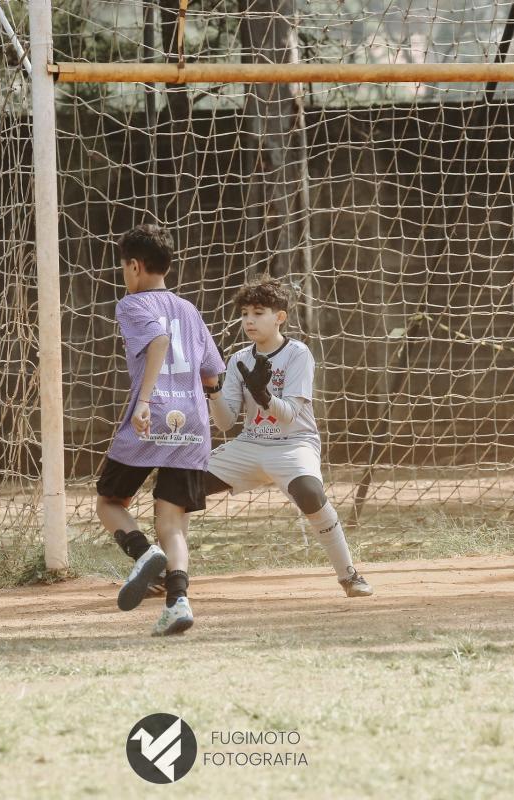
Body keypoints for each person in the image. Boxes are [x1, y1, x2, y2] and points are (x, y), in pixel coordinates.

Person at [205, 277, 373, 597]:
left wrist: (263, 395)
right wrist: (213, 391)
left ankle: (349, 576)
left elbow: (290, 414)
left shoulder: (298, 353)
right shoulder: (239, 359)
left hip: (294, 444)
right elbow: (225, 424)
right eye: (244, 314)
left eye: (258, 313)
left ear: (279, 317)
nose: (249, 321)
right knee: (176, 487)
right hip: (251, 444)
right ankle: (168, 574)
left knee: (310, 493)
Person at [95, 224, 224, 636]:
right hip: (192, 423)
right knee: (172, 521)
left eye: (123, 267)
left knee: (109, 502)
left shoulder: (132, 304)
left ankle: (143, 551)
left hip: (151, 418)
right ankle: (178, 602)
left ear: (134, 266)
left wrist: (145, 401)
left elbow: (158, 342)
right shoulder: (189, 308)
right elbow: (211, 374)